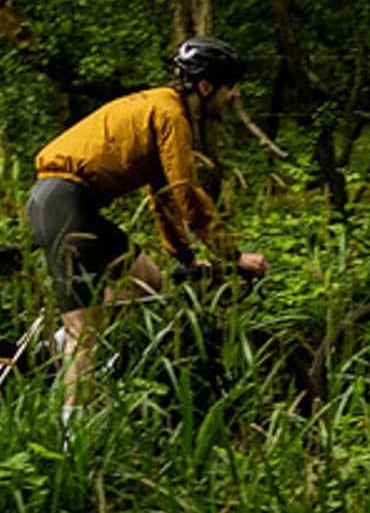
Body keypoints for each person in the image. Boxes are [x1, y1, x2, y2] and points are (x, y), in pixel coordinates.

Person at [27, 36, 268, 424]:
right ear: (205, 87)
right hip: (65, 204)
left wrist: (188, 258)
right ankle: (71, 442)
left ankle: (48, 354)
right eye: (230, 87)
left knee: (146, 281)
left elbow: (165, 196)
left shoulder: (160, 107)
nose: (235, 96)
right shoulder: (171, 116)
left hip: (73, 204)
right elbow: (186, 194)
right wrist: (234, 255)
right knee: (83, 331)